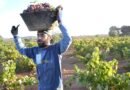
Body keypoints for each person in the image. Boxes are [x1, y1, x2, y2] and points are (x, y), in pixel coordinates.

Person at [11, 6, 72, 90]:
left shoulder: (56, 49)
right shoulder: (35, 51)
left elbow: (68, 39)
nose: (39, 38)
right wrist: (16, 36)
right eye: (38, 35)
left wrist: (60, 23)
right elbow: (22, 49)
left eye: (42, 35)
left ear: (50, 37)